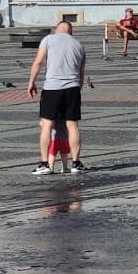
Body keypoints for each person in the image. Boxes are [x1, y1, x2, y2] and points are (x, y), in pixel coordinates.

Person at [25, 19, 87, 174]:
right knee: (72, 125)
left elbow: (38, 62)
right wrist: (76, 89)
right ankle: (76, 163)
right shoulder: (79, 45)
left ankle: (44, 164)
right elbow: (81, 74)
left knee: (47, 125)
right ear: (71, 31)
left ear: (56, 29)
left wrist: (31, 82)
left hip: (52, 89)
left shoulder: (48, 40)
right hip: (72, 88)